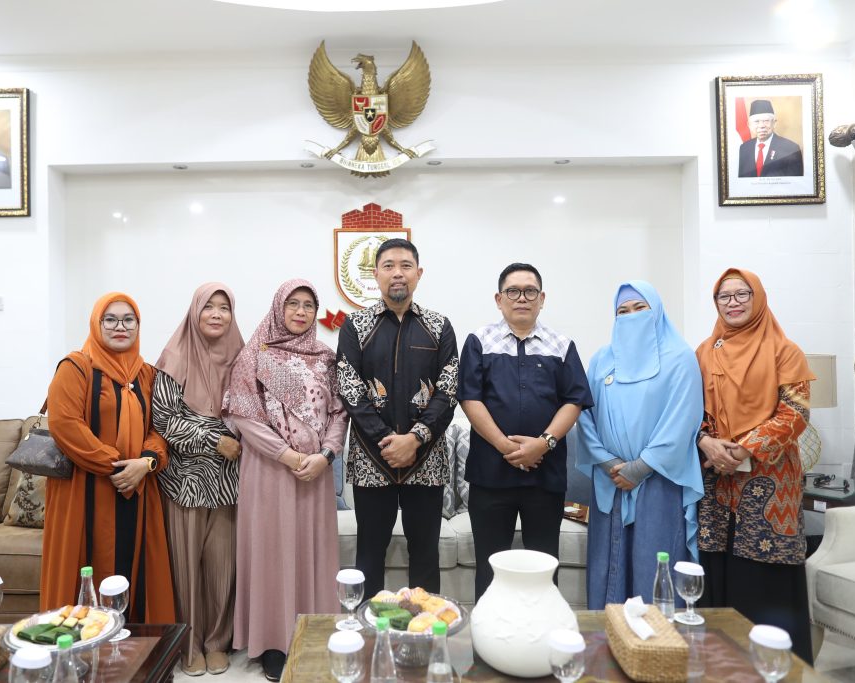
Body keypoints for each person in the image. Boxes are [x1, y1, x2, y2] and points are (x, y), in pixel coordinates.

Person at [224, 279, 349, 681]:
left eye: (308, 305)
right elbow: (244, 416)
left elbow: (339, 414)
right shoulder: (254, 355)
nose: (300, 311)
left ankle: (314, 632)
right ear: (279, 307)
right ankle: (274, 642)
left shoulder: (326, 358)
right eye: (293, 303)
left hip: (315, 473)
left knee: (312, 551)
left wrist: (325, 456)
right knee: (271, 552)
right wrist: (289, 455)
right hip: (269, 470)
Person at [696, 268, 815, 663]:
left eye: (741, 294)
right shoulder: (704, 352)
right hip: (716, 479)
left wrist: (743, 450)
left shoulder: (785, 350)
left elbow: (795, 413)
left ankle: (776, 665)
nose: (732, 303)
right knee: (719, 568)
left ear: (758, 297)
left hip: (770, 480)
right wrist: (706, 441)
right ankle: (720, 663)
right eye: (724, 296)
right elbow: (690, 410)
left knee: (766, 575)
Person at [458, 263, 593, 600]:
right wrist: (505, 446)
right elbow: (470, 398)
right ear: (499, 299)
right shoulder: (479, 341)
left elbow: (574, 400)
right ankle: (489, 631)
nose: (522, 298)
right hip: (491, 475)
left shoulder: (561, 345)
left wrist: (543, 444)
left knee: (544, 566)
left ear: (541, 299)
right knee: (490, 566)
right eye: (513, 291)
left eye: (530, 291)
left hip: (544, 475)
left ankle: (543, 630)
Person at [41, 292, 175, 623]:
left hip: (138, 488)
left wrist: (145, 463)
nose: (120, 327)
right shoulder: (76, 367)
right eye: (110, 319)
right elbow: (65, 424)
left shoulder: (147, 374)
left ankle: (137, 646)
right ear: (96, 323)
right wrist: (116, 466)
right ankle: (84, 645)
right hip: (86, 489)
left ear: (138, 326)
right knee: (87, 573)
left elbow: (159, 428)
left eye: (129, 320)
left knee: (135, 574)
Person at [336, 238, 459, 601]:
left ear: (418, 274)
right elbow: (349, 387)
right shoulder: (355, 325)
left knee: (425, 555)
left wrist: (415, 438)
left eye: (405, 266)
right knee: (369, 554)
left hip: (427, 459)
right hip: (373, 461)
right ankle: (368, 627)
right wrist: (387, 441)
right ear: (376, 275)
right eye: (388, 266)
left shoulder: (439, 326)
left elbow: (449, 389)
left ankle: (425, 630)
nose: (397, 273)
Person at [575, 281, 704, 609]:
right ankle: (607, 636)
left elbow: (683, 419)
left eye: (639, 308)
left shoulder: (680, 358)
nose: (631, 316)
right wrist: (609, 464)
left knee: (653, 565)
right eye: (622, 311)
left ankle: (656, 639)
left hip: (660, 479)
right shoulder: (602, 359)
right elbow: (584, 415)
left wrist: (640, 467)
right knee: (607, 568)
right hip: (611, 479)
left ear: (656, 311)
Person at [152, 283, 244, 676]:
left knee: (222, 568)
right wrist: (214, 437)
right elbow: (164, 420)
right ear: (195, 311)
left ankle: (217, 642)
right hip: (184, 483)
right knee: (186, 569)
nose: (217, 314)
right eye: (209, 307)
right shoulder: (173, 357)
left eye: (224, 308)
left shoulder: (242, 357)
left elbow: (252, 412)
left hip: (228, 483)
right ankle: (189, 644)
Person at [737, 100, 804, 178]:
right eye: (756, 121)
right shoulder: (744, 148)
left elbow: (795, 183)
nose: (761, 126)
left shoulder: (791, 149)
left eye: (766, 121)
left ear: (774, 123)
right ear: (749, 125)